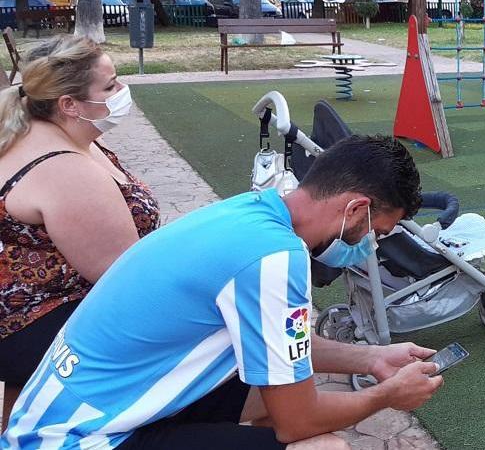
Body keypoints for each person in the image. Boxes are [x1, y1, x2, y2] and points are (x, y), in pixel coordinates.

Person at [3, 135, 442, 448]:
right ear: (355, 208)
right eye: (372, 231)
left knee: (275, 394)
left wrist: (372, 358)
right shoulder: (275, 257)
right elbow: (298, 422)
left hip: (60, 416)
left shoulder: (249, 212)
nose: (366, 243)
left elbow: (285, 351)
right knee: (321, 445)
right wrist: (387, 395)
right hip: (81, 438)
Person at [0, 36, 159, 428]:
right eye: (110, 86)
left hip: (36, 315)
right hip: (40, 325)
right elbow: (125, 280)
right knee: (214, 344)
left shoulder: (51, 133)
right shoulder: (64, 168)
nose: (122, 92)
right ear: (68, 104)